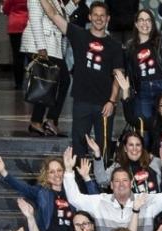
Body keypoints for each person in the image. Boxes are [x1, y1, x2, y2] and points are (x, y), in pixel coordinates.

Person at [39, 0, 124, 155]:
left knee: (104, 147)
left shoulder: (115, 46)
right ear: (90, 17)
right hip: (81, 102)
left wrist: (112, 101)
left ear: (108, 19)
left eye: (102, 16)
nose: (99, 19)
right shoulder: (79, 35)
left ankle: (103, 178)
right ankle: (78, 178)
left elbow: (118, 76)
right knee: (78, 147)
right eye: (96, 15)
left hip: (104, 104)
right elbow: (53, 15)